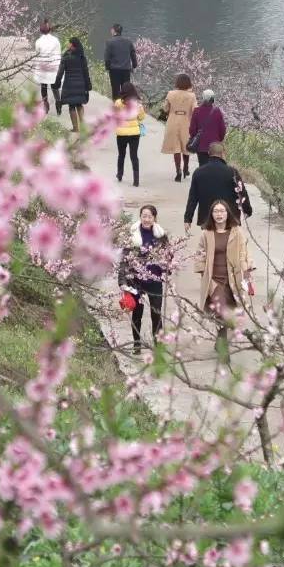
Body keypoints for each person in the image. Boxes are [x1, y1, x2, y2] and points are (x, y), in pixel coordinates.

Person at [118, 204, 168, 355]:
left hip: (155, 280)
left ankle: (158, 346)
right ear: (140, 217)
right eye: (144, 216)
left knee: (156, 314)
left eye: (149, 216)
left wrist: (167, 268)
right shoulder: (133, 235)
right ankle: (136, 344)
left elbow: (168, 257)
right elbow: (124, 259)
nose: (146, 219)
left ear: (154, 218)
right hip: (136, 280)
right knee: (137, 313)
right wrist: (122, 281)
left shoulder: (161, 236)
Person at [194, 199, 254, 325]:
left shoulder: (236, 232)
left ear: (227, 213)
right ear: (211, 214)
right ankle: (221, 342)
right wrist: (203, 275)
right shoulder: (206, 234)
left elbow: (244, 252)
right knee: (220, 310)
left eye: (222, 211)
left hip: (232, 279)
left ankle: (222, 340)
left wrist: (247, 271)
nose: (219, 214)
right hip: (214, 280)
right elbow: (200, 255)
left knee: (230, 313)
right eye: (216, 211)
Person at [183, 142, 253, 233]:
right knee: (229, 245)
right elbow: (241, 193)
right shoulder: (232, 172)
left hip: (207, 218)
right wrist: (247, 210)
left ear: (209, 153)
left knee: (210, 245)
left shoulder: (198, 172)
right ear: (223, 153)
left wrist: (188, 218)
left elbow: (193, 197)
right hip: (229, 217)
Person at [161, 73, 197, 182]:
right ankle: (186, 167)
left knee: (176, 147)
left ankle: (178, 171)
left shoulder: (170, 94)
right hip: (186, 122)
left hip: (173, 121)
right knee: (186, 146)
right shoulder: (192, 96)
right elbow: (195, 110)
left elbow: (165, 108)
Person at [53, 37, 92, 133]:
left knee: (72, 106)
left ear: (72, 45)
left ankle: (76, 128)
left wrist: (56, 84)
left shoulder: (66, 57)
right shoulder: (82, 57)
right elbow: (86, 72)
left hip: (69, 84)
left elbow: (60, 72)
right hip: (80, 84)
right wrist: (88, 85)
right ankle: (82, 126)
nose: (67, 44)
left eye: (69, 43)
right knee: (79, 104)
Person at [113, 82, 146, 187]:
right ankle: (136, 180)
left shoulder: (118, 103)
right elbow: (141, 118)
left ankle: (120, 174)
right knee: (134, 156)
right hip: (134, 133)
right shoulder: (137, 104)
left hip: (121, 133)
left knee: (121, 155)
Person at [189, 89, 227, 166]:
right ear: (213, 99)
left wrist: (194, 137)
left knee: (202, 165)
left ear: (203, 98)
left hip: (201, 145)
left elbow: (192, 129)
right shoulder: (217, 111)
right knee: (214, 167)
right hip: (215, 146)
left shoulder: (197, 111)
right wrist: (219, 139)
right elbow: (222, 130)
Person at [32, 19, 62, 114]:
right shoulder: (55, 40)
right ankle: (58, 102)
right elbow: (59, 53)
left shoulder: (38, 41)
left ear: (41, 31)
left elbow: (37, 53)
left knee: (43, 86)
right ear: (50, 30)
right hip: (53, 66)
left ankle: (45, 103)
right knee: (54, 86)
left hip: (43, 66)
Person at [104, 23, 138, 100]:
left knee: (115, 90)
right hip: (126, 69)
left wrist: (108, 67)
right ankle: (125, 107)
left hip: (114, 70)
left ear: (113, 31)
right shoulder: (128, 41)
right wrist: (134, 65)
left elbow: (107, 58)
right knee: (126, 91)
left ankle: (116, 107)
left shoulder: (109, 42)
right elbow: (133, 54)